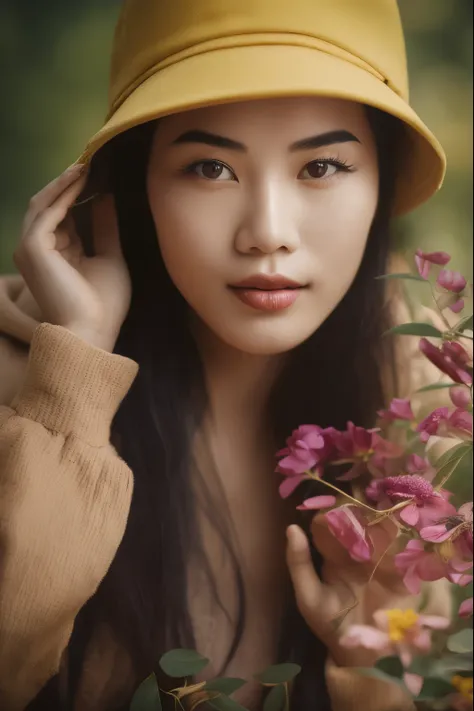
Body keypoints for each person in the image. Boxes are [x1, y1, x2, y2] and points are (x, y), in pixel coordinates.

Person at [0, 0, 453, 709]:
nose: (267, 232)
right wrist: (76, 370)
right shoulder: (25, 384)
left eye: (323, 165)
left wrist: (375, 670)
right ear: (132, 190)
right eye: (209, 167)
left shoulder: (430, 400)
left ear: (381, 187)